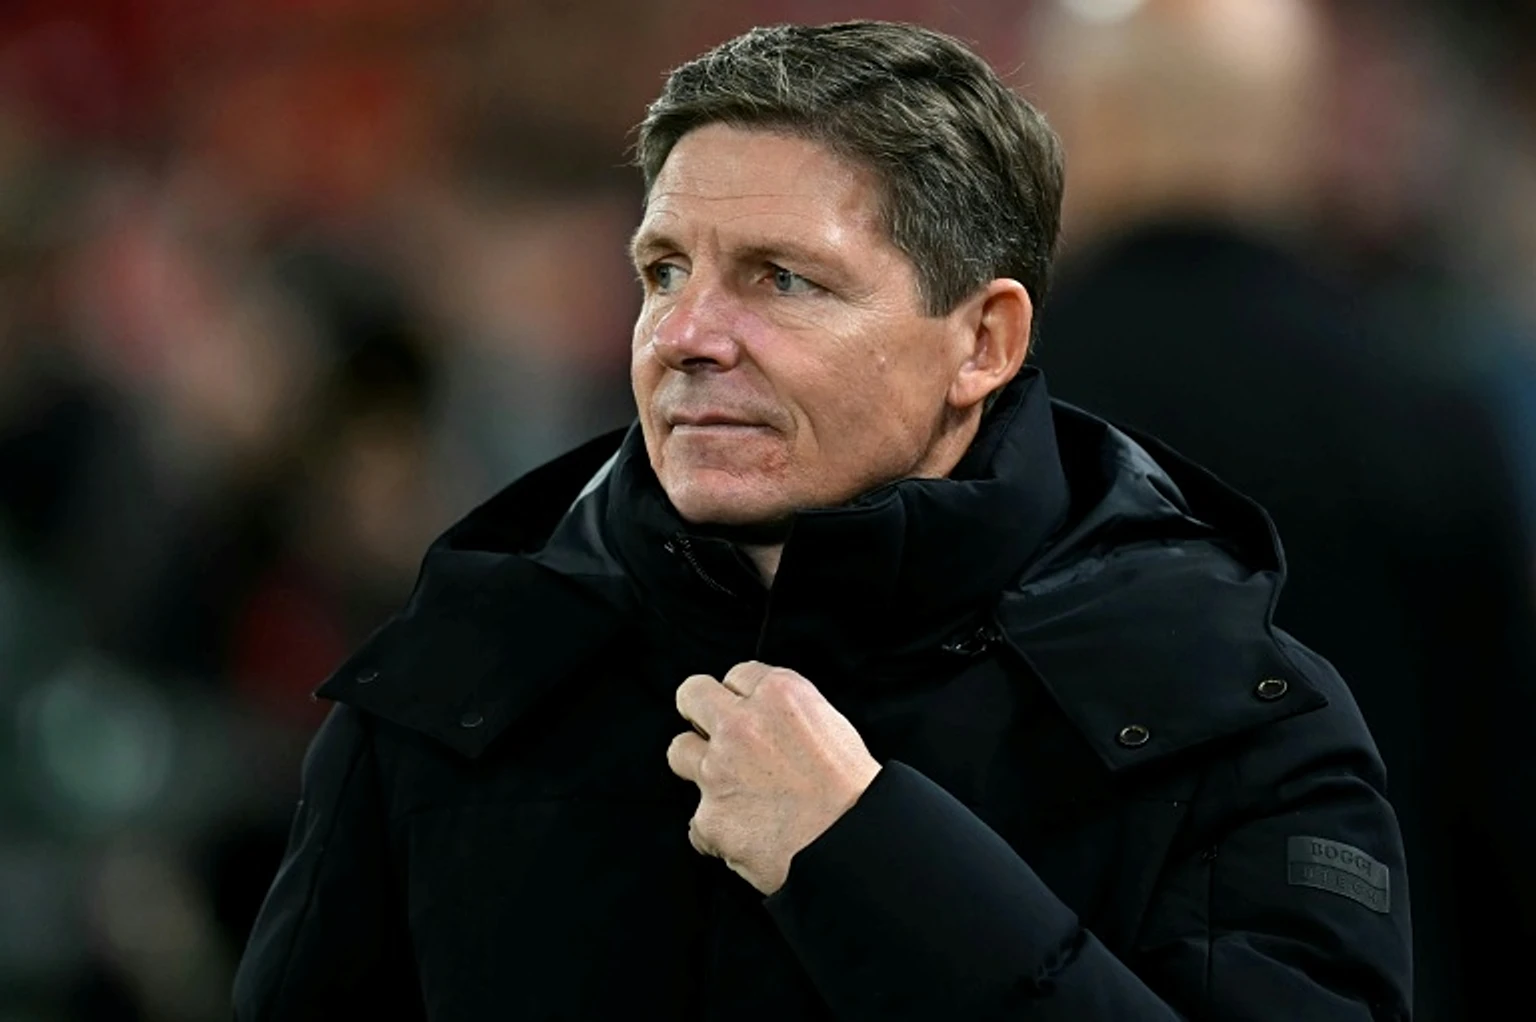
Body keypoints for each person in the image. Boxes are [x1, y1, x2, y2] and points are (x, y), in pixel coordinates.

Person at [232, 21, 1412, 1021]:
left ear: (984, 341)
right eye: (663, 271)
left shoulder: (1229, 713)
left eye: (781, 278)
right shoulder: (457, 679)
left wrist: (869, 856)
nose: (686, 335)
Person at [1029, 2, 1536, 1016]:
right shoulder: (1423, 404)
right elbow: (1497, 792)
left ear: (1083, 126)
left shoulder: (989, 407)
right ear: (1293, 134)